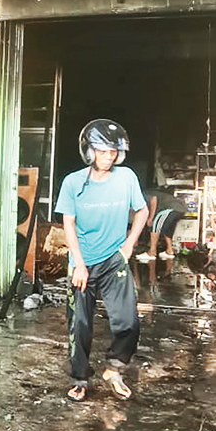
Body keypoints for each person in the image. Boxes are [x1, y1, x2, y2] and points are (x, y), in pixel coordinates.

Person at [54, 119, 148, 402]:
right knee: (80, 325)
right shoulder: (73, 182)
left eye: (113, 152)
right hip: (83, 262)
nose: (108, 157)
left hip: (114, 260)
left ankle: (114, 369)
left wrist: (129, 245)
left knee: (129, 322)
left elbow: (142, 211)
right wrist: (79, 264)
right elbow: (68, 223)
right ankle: (80, 379)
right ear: (89, 151)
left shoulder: (126, 178)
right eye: (102, 151)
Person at [135, 187, 186, 262]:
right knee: (167, 230)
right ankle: (169, 251)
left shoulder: (142, 194)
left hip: (170, 208)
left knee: (155, 226)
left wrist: (151, 218)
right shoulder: (152, 192)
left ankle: (152, 252)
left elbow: (154, 200)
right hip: (180, 209)